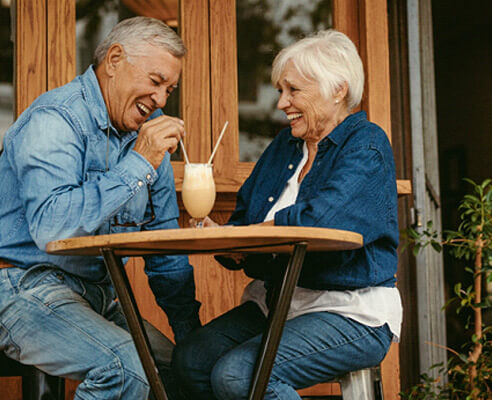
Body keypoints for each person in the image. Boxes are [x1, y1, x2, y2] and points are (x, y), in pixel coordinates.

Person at [172, 29, 402, 399]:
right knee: (191, 361)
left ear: (337, 89)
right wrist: (231, 241)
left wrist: (249, 236)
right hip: (277, 302)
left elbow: (321, 222)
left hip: (350, 310)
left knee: (237, 375)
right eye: (281, 90)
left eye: (293, 90)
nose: (281, 102)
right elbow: (247, 220)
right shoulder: (285, 146)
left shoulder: (367, 144)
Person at [0, 16, 200, 399]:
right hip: (19, 288)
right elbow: (53, 227)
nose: (161, 100)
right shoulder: (56, 119)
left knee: (184, 379)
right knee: (127, 372)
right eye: (155, 82)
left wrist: (192, 339)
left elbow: (164, 251)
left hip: (97, 296)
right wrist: (138, 163)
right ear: (115, 59)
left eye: (170, 89)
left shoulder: (147, 136)